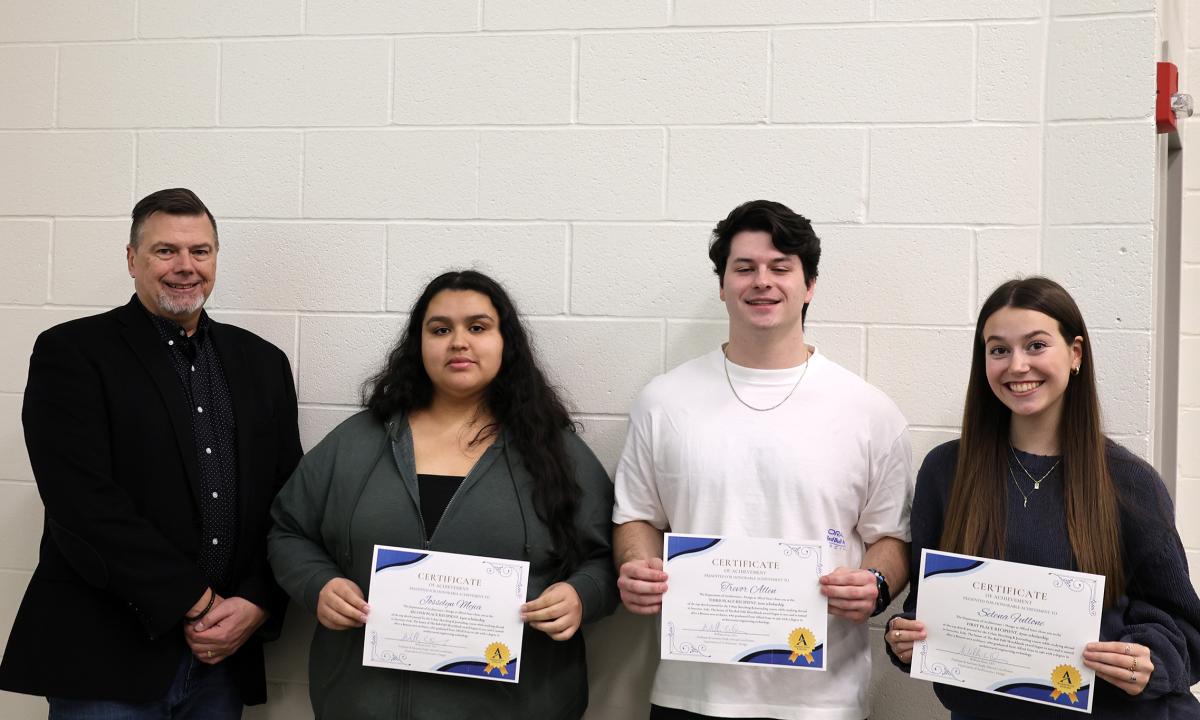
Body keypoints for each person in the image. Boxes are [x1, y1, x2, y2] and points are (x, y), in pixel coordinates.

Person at [0, 188, 303, 718]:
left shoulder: (263, 362)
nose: (185, 267)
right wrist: (200, 602)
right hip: (106, 656)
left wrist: (255, 603)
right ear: (131, 259)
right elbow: (82, 502)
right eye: (166, 251)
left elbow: (286, 498)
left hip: (221, 661)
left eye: (200, 251)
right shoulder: (72, 352)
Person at [268, 269, 618, 720]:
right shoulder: (358, 441)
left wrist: (581, 596)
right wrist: (319, 584)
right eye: (440, 329)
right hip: (365, 701)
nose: (458, 342)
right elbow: (288, 531)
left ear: (505, 342)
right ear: (419, 344)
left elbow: (609, 559)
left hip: (516, 704)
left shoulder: (555, 451)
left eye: (477, 327)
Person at [613, 199, 913, 720]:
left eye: (781, 267)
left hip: (823, 702)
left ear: (809, 285)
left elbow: (891, 536)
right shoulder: (664, 401)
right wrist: (636, 566)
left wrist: (876, 584)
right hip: (692, 695)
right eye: (744, 268)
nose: (762, 282)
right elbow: (636, 516)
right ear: (723, 283)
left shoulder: (869, 411)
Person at [885, 277, 1200, 719]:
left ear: (1075, 354)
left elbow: (1184, 628)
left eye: (1035, 346)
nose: (1017, 365)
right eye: (998, 350)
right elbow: (927, 606)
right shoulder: (946, 472)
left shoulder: (1130, 482)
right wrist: (903, 639)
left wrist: (1148, 659)